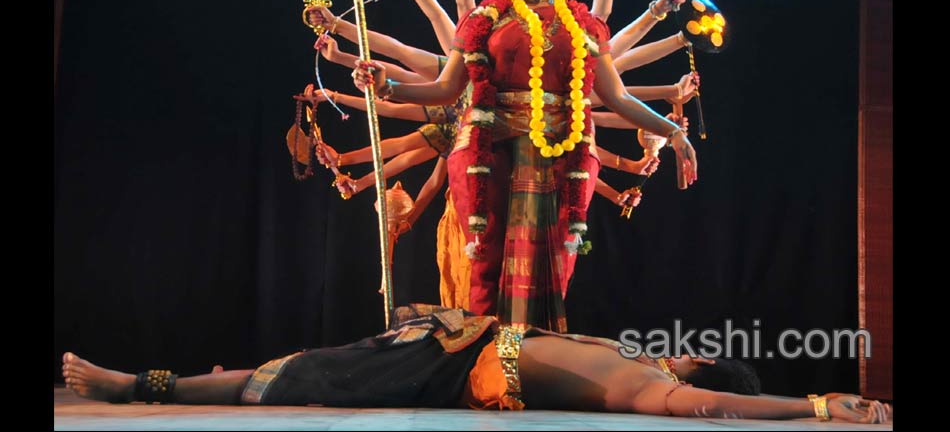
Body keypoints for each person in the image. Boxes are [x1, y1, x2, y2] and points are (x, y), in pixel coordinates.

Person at [350, 0, 698, 333]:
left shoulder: (583, 25)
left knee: (555, 261)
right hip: (490, 150)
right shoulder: (484, 20)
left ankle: (537, 353)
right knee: (488, 260)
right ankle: (486, 363)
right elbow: (446, 89)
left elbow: (618, 97)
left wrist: (674, 134)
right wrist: (387, 86)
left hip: (561, 153)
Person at [60, 304, 891, 423]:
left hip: (450, 371)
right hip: (454, 341)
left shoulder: (657, 387)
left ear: (700, 370)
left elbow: (717, 412)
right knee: (293, 364)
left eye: (695, 356)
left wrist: (817, 408)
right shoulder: (633, 357)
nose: (681, 350)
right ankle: (138, 381)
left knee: (286, 377)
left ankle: (133, 384)